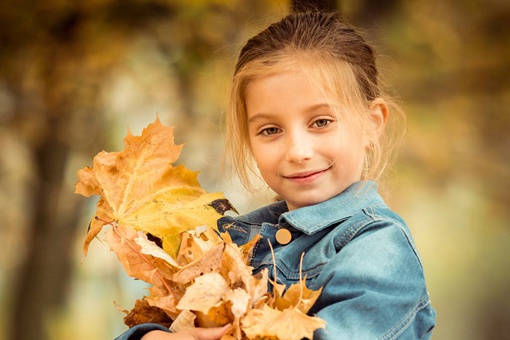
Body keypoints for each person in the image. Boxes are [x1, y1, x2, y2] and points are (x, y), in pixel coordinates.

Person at [116, 10, 436, 340]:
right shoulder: (231, 243)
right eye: (271, 130)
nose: (298, 151)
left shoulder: (380, 249)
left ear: (372, 123)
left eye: (321, 122)